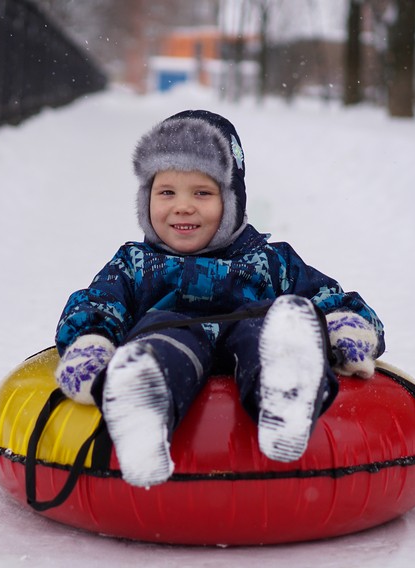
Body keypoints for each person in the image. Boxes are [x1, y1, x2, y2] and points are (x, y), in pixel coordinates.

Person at [54, 110, 384, 488]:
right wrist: (92, 344)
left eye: (202, 193)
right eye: (166, 192)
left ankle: (285, 392)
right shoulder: (134, 264)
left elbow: (326, 297)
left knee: (269, 329)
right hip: (172, 335)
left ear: (232, 201)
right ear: (146, 198)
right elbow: (98, 304)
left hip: (251, 336)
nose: (183, 206)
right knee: (164, 342)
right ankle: (143, 406)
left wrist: (343, 325)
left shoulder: (271, 261)